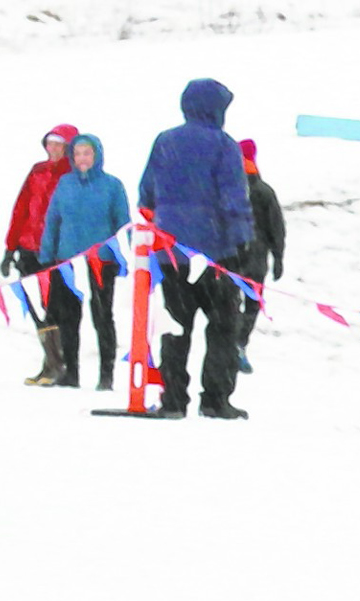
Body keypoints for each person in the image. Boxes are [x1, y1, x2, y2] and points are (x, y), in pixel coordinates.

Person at [138, 78, 255, 419]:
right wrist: (241, 243)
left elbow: (146, 192)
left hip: (172, 252)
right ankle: (215, 399)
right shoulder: (224, 145)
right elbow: (234, 199)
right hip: (216, 254)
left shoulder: (164, 142)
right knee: (222, 328)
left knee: (176, 327)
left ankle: (173, 399)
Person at [39, 133, 131, 390]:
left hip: (101, 261)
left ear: (97, 155)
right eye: (77, 154)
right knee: (68, 318)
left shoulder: (112, 186)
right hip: (67, 261)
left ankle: (106, 375)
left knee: (102, 316)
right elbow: (53, 221)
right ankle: (71, 374)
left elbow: (123, 226)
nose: (82, 158)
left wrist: (123, 257)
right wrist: (47, 257)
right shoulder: (65, 184)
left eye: (87, 153)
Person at [2, 122, 79, 385]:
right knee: (37, 308)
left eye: (59, 144)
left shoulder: (73, 175)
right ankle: (51, 364)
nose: (53, 148)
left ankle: (60, 366)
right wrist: (10, 247)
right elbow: (21, 207)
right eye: (50, 143)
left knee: (56, 308)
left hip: (58, 253)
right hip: (28, 249)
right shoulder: (37, 171)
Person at [234, 139, 286, 375]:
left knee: (231, 302)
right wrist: (278, 257)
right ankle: (239, 344)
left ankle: (231, 344)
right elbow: (277, 227)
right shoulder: (264, 191)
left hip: (231, 257)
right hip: (256, 258)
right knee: (252, 304)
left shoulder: (229, 189)